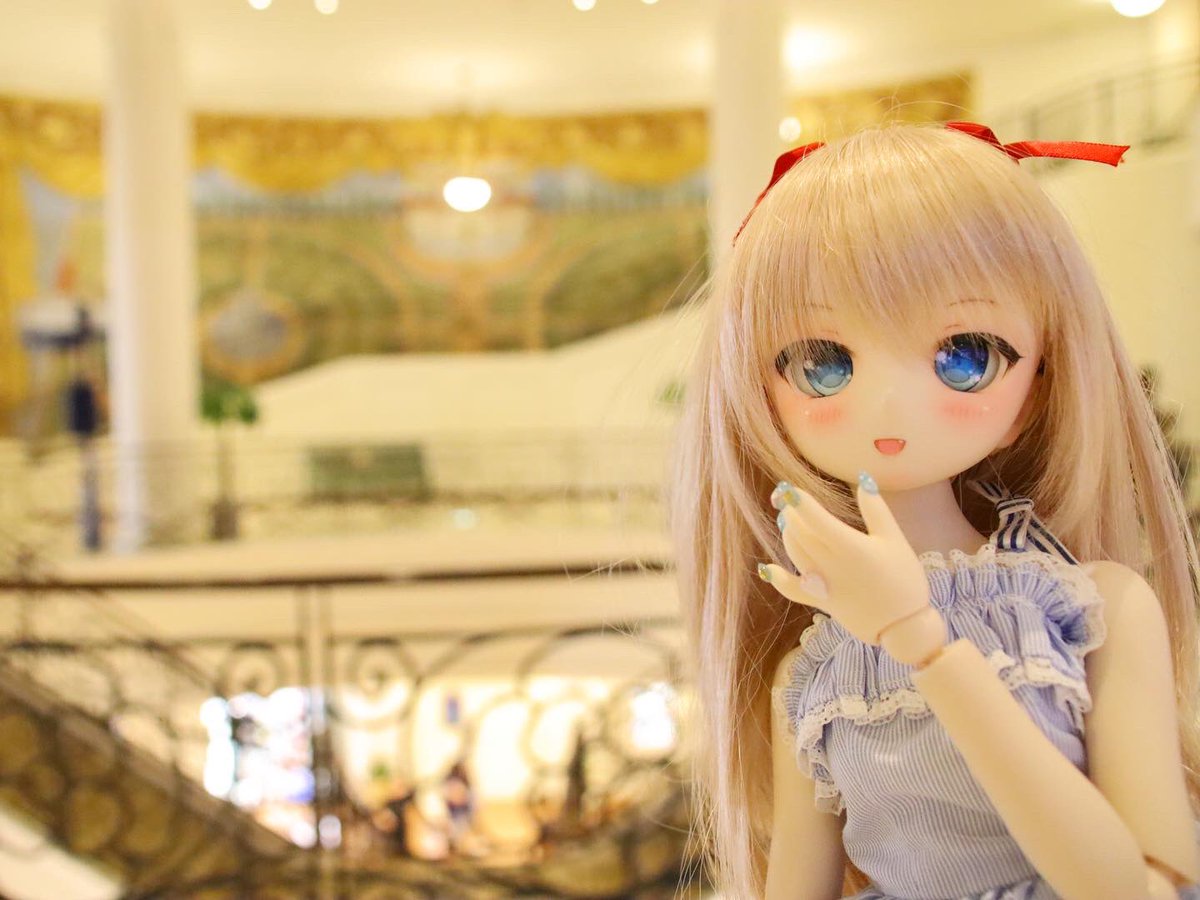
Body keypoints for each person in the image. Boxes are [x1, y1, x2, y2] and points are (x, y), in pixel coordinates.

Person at [670, 121, 1200, 899]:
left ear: (1038, 388)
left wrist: (926, 645)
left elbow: (1142, 889)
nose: (889, 403)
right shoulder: (810, 676)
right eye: (821, 363)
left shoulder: (1093, 611)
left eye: (965, 357)